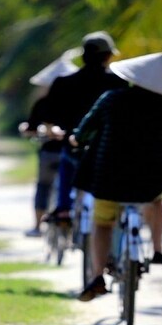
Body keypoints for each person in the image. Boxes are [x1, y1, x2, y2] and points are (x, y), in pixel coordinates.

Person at [71, 52, 162, 301]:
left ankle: (96, 276)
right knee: (157, 201)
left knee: (103, 223)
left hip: (107, 179)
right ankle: (157, 250)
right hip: (150, 182)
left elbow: (85, 130)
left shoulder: (111, 99)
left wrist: (77, 139)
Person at [36, 31, 127, 223]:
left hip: (74, 145)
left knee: (66, 162)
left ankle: (62, 209)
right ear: (108, 56)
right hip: (108, 149)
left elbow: (48, 115)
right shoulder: (118, 83)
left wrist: (52, 130)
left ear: (83, 55)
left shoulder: (63, 83)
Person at [18, 50, 80, 236]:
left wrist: (26, 130)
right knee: (74, 187)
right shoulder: (77, 102)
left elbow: (30, 128)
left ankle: (38, 226)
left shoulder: (43, 103)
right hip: (73, 152)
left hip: (49, 153)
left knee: (43, 186)